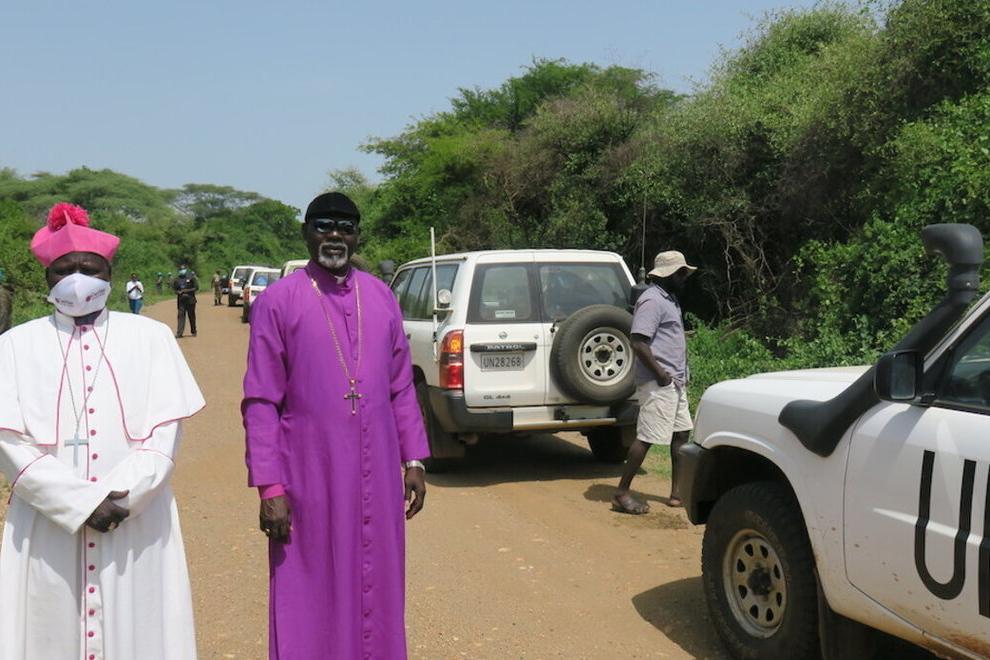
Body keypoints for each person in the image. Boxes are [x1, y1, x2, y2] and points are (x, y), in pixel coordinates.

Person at [0, 202, 205, 659]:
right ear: (47, 278)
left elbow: (164, 434)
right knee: (48, 628)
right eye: (64, 270)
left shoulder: (151, 338)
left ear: (109, 274)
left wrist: (123, 498)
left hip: (134, 518)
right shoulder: (14, 346)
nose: (77, 279)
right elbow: (9, 443)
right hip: (47, 522)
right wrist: (78, 502)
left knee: (141, 627)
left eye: (89, 269)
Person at [242, 191, 429, 659]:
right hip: (309, 473)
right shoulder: (278, 301)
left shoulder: (381, 296)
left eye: (345, 228)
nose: (335, 236)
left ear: (358, 235)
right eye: (323, 226)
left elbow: (401, 385)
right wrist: (270, 487)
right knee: (309, 586)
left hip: (378, 473)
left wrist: (414, 459)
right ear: (306, 232)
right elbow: (261, 400)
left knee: (378, 583)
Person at [613, 250, 697, 515]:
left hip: (675, 381)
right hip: (658, 381)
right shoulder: (652, 300)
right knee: (647, 437)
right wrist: (660, 373)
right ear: (668, 275)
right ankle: (622, 493)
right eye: (681, 273)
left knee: (681, 433)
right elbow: (638, 342)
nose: (684, 278)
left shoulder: (670, 299)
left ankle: (676, 493)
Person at [173, 263, 198, 338]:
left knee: (191, 316)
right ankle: (179, 333)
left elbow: (196, 288)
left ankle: (193, 331)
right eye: (181, 269)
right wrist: (178, 292)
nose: (182, 270)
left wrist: (186, 291)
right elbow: (174, 289)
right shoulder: (177, 279)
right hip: (181, 301)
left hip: (190, 300)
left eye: (183, 269)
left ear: (186, 270)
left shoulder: (191, 277)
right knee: (180, 316)